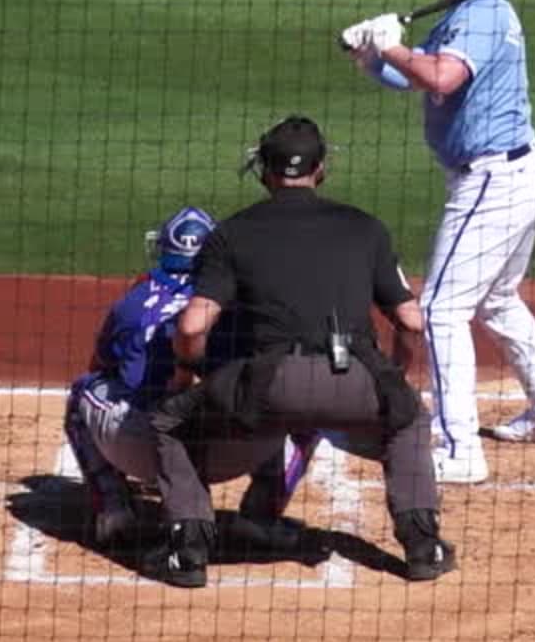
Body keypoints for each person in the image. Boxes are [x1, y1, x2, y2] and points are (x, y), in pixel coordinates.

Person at [145, 116, 454, 588]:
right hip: (356, 380)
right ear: (322, 168)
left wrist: (190, 373)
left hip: (269, 386)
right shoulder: (365, 228)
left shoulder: (231, 233)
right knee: (408, 419)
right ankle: (422, 545)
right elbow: (412, 321)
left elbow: (191, 324)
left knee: (169, 421)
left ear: (264, 171)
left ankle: (187, 551)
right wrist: (394, 379)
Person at [339, 0, 535, 486]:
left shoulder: (483, 14)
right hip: (517, 174)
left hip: (493, 182)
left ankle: (460, 450)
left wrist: (394, 47)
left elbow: (442, 78)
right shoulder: (470, 14)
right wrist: (374, 58)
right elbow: (422, 75)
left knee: (443, 309)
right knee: (497, 299)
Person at [61, 205, 319, 551]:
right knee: (301, 402)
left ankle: (113, 509)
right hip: (238, 449)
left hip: (147, 452)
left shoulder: (134, 301)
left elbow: (99, 367)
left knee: (83, 393)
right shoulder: (248, 301)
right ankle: (260, 515)